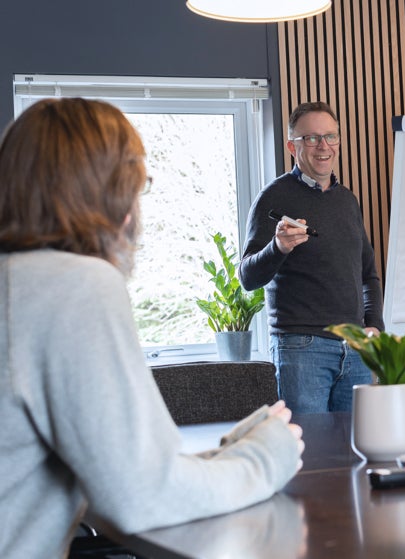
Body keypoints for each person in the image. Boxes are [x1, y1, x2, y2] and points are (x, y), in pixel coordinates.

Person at [0, 98, 304, 559]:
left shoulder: (18, 280)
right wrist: (266, 455)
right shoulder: (73, 283)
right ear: (113, 196)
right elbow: (141, 498)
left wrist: (227, 457)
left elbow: (113, 477)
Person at [239, 101, 384, 413]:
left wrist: (374, 324)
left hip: (356, 348)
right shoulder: (272, 197)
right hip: (301, 348)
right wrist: (278, 247)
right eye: (312, 138)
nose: (323, 146)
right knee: (311, 441)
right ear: (293, 146)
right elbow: (248, 278)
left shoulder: (347, 200)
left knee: (356, 440)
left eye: (330, 136)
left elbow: (368, 273)